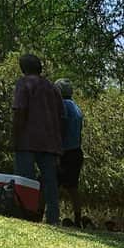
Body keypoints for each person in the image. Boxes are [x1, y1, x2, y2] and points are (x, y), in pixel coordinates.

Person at [12, 54, 63, 225]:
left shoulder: (24, 83)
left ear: (23, 68)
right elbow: (61, 116)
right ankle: (53, 218)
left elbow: (20, 110)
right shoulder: (53, 88)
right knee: (50, 184)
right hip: (50, 141)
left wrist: (15, 136)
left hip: (27, 139)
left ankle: (25, 215)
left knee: (25, 179)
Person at [54, 79, 84, 227]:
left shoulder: (63, 106)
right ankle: (78, 219)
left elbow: (62, 128)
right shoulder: (77, 108)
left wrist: (58, 153)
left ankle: (41, 213)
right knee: (73, 187)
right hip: (76, 151)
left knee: (50, 183)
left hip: (65, 152)